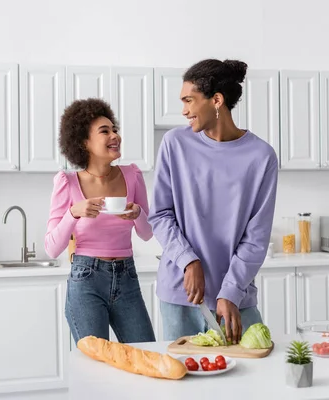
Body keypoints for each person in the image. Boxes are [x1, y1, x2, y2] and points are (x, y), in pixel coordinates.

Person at [148, 59, 278, 344]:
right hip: (180, 295)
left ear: (216, 100)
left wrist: (230, 290)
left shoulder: (261, 157)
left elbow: (256, 238)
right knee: (183, 382)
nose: (184, 111)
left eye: (189, 101)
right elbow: (159, 215)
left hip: (234, 298)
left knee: (246, 380)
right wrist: (188, 260)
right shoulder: (174, 144)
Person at [45, 98, 155, 344]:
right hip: (87, 280)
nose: (114, 135)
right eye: (104, 131)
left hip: (127, 276)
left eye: (114, 129)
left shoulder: (133, 175)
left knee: (147, 354)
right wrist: (73, 213)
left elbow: (147, 234)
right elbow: (52, 248)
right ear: (84, 142)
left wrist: (138, 215)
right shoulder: (67, 182)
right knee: (96, 368)